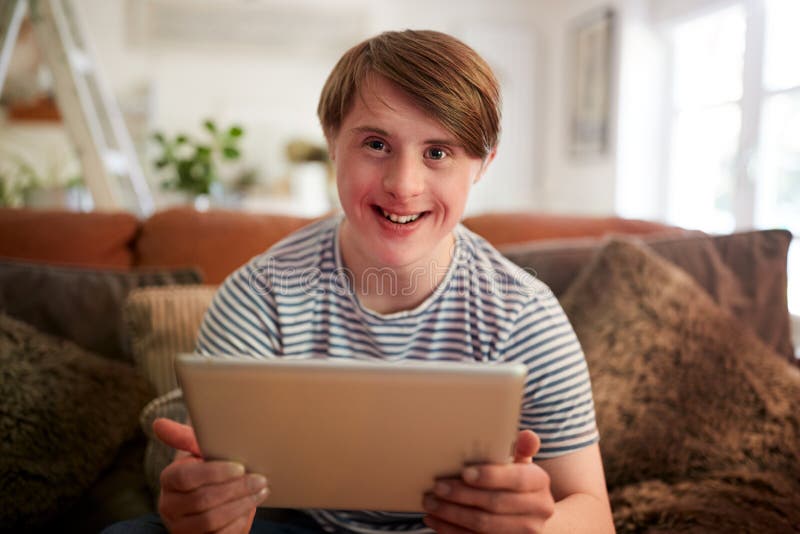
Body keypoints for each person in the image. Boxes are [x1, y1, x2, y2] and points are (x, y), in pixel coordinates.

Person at [105, 29, 614, 534]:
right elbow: (212, 489)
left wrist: (533, 529)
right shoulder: (259, 296)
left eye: (438, 153)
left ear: (481, 164)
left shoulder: (524, 311)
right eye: (376, 143)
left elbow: (591, 510)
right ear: (331, 140)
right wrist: (206, 517)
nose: (403, 185)